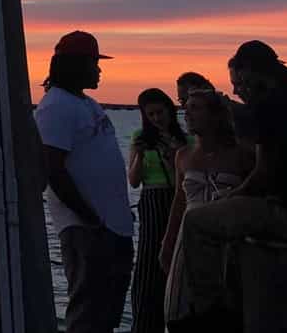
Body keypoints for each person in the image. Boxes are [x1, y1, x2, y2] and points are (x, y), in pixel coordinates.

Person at [171, 41, 287, 324]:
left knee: (197, 222)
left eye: (239, 81)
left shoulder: (270, 104)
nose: (237, 90)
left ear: (252, 72)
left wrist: (231, 196)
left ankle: (211, 312)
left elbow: (263, 173)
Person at [34, 31, 133, 333]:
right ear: (76, 65)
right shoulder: (56, 107)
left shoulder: (87, 104)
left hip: (112, 227)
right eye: (93, 63)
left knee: (106, 312)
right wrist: (89, 216)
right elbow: (53, 169)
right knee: (88, 311)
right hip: (87, 229)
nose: (99, 70)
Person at [158, 89, 254, 324]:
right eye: (187, 108)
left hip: (226, 235)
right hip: (188, 233)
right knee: (182, 307)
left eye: (195, 108)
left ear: (215, 115)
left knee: (226, 306)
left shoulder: (240, 154)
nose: (187, 114)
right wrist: (167, 242)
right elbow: (179, 201)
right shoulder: (183, 155)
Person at [128, 88, 187, 333]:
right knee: (148, 262)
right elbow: (133, 180)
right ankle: (145, 322)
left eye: (159, 112)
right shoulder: (140, 137)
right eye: (150, 114)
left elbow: (181, 183)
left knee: (178, 259)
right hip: (151, 198)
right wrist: (140, 156)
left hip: (176, 198)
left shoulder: (186, 141)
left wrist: (172, 156)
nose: (155, 118)